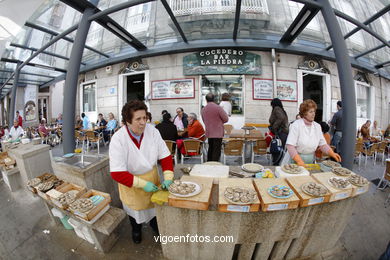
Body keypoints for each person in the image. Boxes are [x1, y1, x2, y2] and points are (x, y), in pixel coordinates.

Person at [109, 100, 173, 244]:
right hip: (131, 182)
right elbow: (117, 173)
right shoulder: (118, 139)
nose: (143, 122)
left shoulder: (153, 131)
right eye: (138, 119)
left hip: (152, 176)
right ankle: (136, 229)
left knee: (154, 209)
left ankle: (155, 226)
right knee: (134, 212)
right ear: (127, 121)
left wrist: (168, 176)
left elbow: (165, 155)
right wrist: (142, 184)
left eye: (145, 118)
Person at [284, 99, 341, 166]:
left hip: (310, 160)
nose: (313, 114)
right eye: (310, 112)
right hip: (295, 160)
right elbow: (290, 146)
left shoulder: (317, 126)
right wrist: (299, 161)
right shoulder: (296, 125)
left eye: (314, 111)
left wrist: (332, 153)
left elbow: (323, 145)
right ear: (304, 113)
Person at [201, 93, 228, 161]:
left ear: (206, 100)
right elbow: (226, 119)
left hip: (209, 132)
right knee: (217, 149)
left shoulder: (203, 109)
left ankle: (209, 163)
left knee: (210, 148)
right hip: (218, 132)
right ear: (214, 99)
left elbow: (204, 120)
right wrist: (219, 122)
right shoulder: (218, 108)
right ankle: (215, 164)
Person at [268, 98, 289, 165]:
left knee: (277, 150)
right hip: (283, 133)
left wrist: (274, 127)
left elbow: (281, 118)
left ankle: (276, 165)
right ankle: (278, 164)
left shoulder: (276, 109)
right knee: (280, 150)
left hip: (280, 133)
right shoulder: (281, 109)